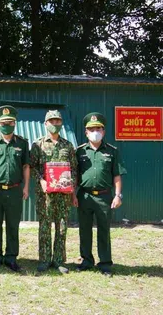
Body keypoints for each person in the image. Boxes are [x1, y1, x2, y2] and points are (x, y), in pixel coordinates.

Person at [76, 112, 126, 276]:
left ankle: (104, 263)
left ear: (103, 131)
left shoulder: (112, 151)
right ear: (86, 132)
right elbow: (75, 175)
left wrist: (118, 195)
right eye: (91, 129)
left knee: (104, 230)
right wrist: (72, 194)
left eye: (98, 128)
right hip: (85, 196)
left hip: (104, 196)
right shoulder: (80, 152)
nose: (94, 131)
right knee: (84, 229)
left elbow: (117, 175)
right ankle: (86, 261)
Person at [0, 105, 30, 272]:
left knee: (12, 225)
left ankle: (11, 258)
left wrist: (26, 187)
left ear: (14, 124)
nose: (6, 125)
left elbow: (26, 166)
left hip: (15, 190)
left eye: (9, 122)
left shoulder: (22, 143)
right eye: (3, 122)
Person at [30, 110, 78, 274]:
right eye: (51, 121)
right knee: (45, 227)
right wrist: (41, 180)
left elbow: (74, 169)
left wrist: (72, 189)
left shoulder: (68, 145)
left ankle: (58, 260)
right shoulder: (38, 145)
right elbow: (32, 167)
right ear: (45, 124)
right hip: (45, 196)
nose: (55, 124)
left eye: (57, 121)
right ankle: (44, 260)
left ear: (61, 123)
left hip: (63, 195)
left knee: (62, 227)